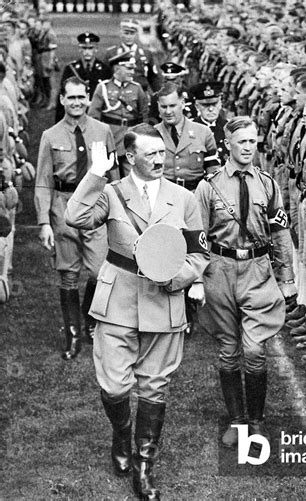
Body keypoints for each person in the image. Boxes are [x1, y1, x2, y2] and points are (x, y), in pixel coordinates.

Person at [64, 124, 209, 500]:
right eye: (151, 154)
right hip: (118, 302)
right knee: (114, 386)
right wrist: (95, 173)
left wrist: (176, 278)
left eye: (162, 153)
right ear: (130, 157)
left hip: (164, 301)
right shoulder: (110, 193)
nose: (160, 159)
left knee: (154, 386)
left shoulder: (184, 198)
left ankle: (144, 466)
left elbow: (199, 253)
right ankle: (120, 433)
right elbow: (75, 217)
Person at [194, 116, 296, 447]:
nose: (249, 147)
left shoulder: (267, 184)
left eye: (253, 141)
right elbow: (196, 236)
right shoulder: (208, 186)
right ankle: (236, 421)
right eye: (242, 142)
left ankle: (257, 420)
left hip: (257, 270)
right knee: (228, 350)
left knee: (254, 350)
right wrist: (196, 278)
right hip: (220, 270)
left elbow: (280, 232)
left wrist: (287, 277)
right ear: (228, 145)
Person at [35, 76, 115, 358]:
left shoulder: (103, 130)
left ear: (88, 98)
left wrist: (118, 212)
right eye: (71, 98)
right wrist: (44, 221)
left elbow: (113, 176)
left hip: (95, 207)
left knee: (100, 271)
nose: (77, 102)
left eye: (82, 97)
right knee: (68, 274)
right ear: (62, 100)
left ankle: (90, 316)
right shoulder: (51, 135)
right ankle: (72, 336)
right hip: (63, 208)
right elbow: (43, 180)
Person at [88, 52, 148, 177]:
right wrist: (98, 139)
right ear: (117, 69)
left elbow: (144, 114)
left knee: (132, 177)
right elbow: (93, 116)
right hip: (110, 138)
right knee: (110, 176)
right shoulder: (103, 87)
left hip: (130, 139)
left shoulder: (137, 88)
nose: (132, 72)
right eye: (129, 68)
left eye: (133, 68)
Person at [153, 82, 219, 190]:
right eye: (163, 107)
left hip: (195, 194)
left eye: (172, 106)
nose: (168, 111)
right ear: (158, 106)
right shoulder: (152, 134)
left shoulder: (203, 132)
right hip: (163, 194)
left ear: (183, 103)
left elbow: (213, 170)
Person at [55, 32, 112, 122]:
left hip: (96, 115)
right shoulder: (70, 69)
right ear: (79, 49)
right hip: (75, 114)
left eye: (90, 48)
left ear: (96, 49)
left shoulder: (105, 69)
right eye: (84, 48)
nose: (87, 52)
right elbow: (63, 95)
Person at [106, 19, 159, 93]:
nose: (129, 37)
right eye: (126, 33)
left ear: (136, 34)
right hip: (119, 92)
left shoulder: (146, 54)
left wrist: (158, 95)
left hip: (142, 93)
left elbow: (154, 78)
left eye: (132, 33)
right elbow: (106, 76)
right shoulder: (112, 53)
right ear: (120, 33)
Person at [190, 81, 229, 164]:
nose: (211, 109)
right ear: (197, 106)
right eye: (206, 105)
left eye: (214, 104)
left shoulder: (230, 127)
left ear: (220, 104)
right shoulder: (189, 128)